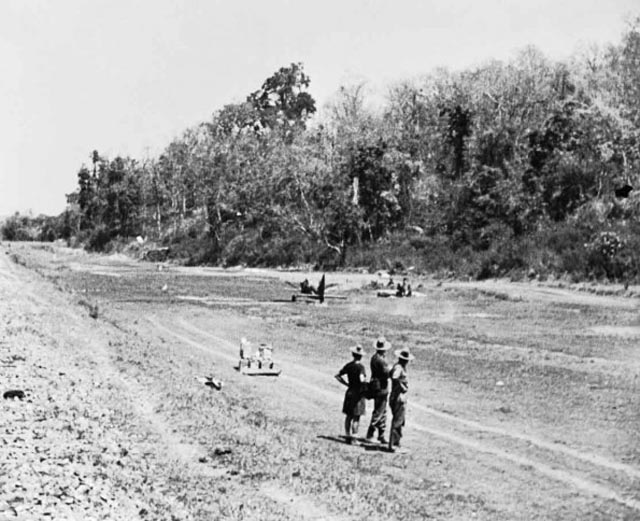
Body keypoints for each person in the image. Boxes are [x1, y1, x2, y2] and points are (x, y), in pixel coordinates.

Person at [335, 345, 367, 444]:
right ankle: (354, 438)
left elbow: (338, 376)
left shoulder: (349, 365)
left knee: (349, 416)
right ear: (361, 356)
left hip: (350, 391)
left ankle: (347, 435)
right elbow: (362, 379)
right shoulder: (361, 367)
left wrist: (346, 384)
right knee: (356, 417)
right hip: (358, 393)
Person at [388, 348, 415, 453]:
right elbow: (394, 377)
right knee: (397, 421)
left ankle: (396, 442)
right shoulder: (399, 368)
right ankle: (393, 445)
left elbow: (391, 374)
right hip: (399, 397)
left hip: (396, 396)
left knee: (400, 420)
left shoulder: (397, 366)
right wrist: (401, 386)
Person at [366, 337, 391, 444]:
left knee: (382, 411)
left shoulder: (374, 358)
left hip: (377, 385)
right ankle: (370, 434)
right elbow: (387, 373)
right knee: (379, 411)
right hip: (381, 387)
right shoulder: (381, 360)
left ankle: (381, 435)